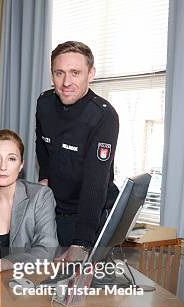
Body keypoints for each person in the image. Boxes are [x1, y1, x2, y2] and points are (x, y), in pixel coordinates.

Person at [35, 41, 119, 262]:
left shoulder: (103, 116)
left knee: (87, 291)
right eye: (59, 73)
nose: (66, 82)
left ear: (91, 74)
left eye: (75, 73)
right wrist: (44, 180)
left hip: (90, 215)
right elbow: (42, 146)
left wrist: (81, 243)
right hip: (55, 211)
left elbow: (95, 184)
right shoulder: (44, 103)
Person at [0, 130, 59, 275]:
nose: (3, 167)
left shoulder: (40, 196)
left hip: (27, 284)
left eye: (11, 159)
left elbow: (46, 251)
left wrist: (3, 264)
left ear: (21, 164)